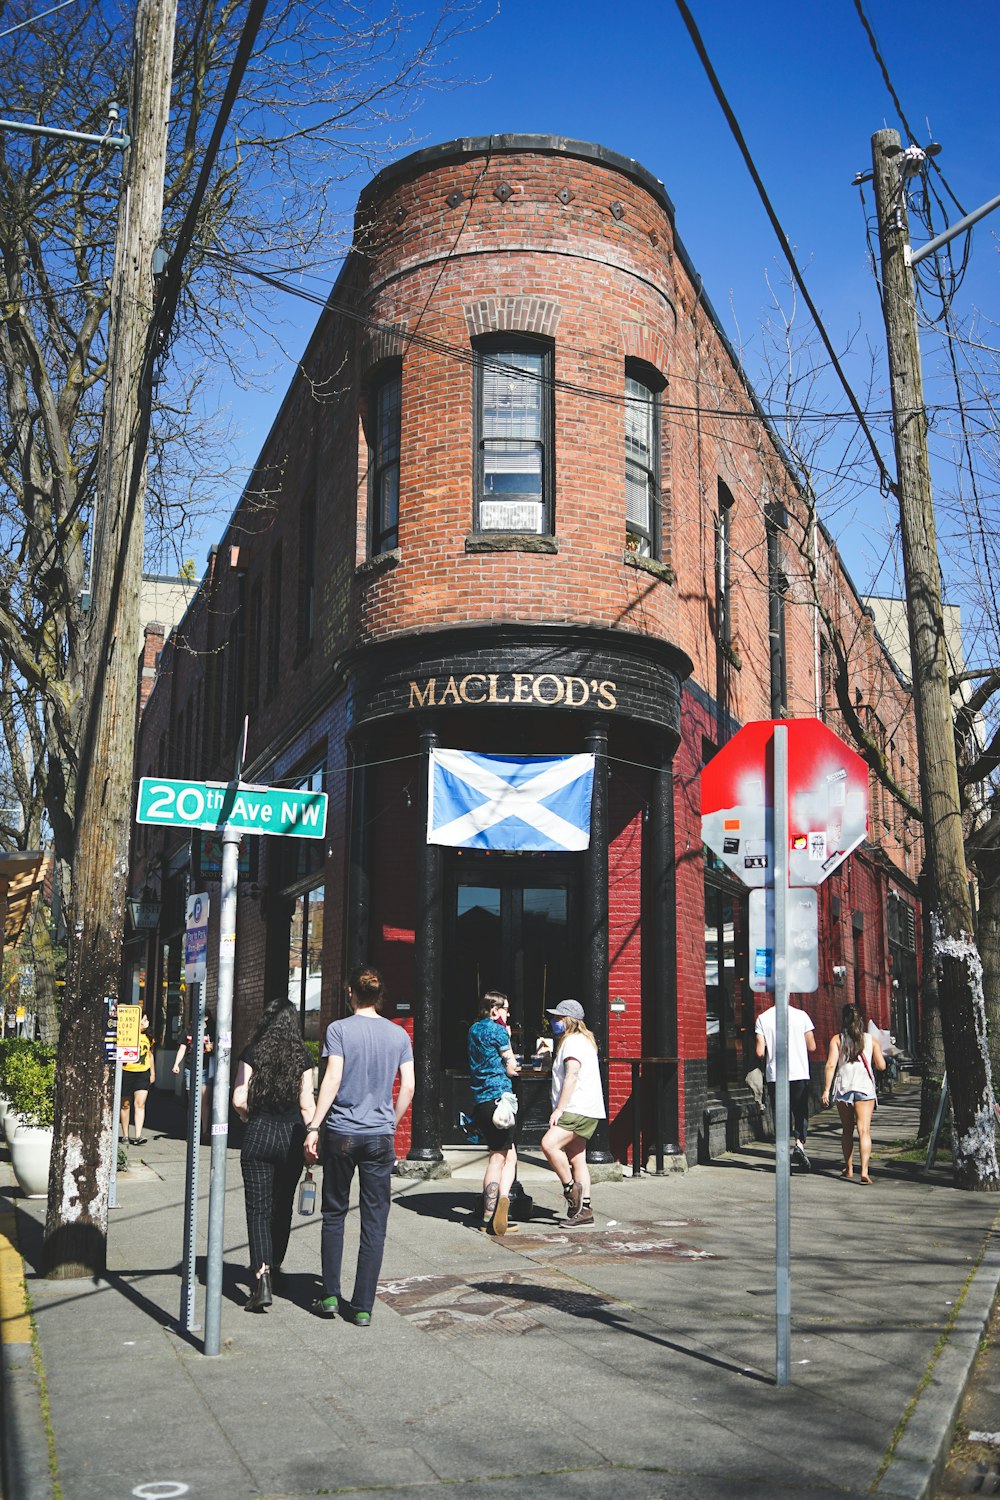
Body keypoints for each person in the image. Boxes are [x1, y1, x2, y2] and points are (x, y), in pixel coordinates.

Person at [304, 966, 414, 1326]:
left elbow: (332, 1078)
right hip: (380, 1136)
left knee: (334, 1214)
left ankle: (331, 1295)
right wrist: (391, 1123)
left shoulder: (338, 1030)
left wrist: (314, 1125)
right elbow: (409, 1087)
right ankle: (363, 1305)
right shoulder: (398, 1035)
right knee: (374, 1221)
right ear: (378, 995)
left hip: (342, 1133)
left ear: (351, 992)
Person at [232, 998, 315, 1313]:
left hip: (259, 1136)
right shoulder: (302, 1057)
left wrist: (247, 1117)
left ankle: (261, 1276)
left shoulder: (254, 1052)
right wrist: (312, 1134)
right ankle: (276, 1267)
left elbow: (239, 1098)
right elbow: (307, 1104)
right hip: (291, 1137)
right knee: (282, 1209)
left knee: (258, 1211)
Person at [540, 999, 606, 1226]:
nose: (554, 1021)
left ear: (569, 1019)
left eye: (558, 1018)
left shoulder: (573, 1042)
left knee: (549, 1144)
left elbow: (572, 1076)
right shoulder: (582, 1041)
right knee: (578, 1159)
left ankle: (570, 1190)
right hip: (588, 1109)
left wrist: (559, 1109)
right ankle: (585, 1211)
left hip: (576, 1108)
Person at [466, 989, 521, 1236]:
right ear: (495, 1009)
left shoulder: (473, 1030)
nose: (508, 1014)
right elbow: (510, 1066)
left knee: (506, 1153)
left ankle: (494, 1208)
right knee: (499, 1158)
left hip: (481, 1100)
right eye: (506, 1009)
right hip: (500, 1098)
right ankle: (495, 1210)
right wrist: (510, 1047)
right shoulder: (498, 1030)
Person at [822, 1002, 886, 1184]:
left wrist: (826, 1090)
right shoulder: (871, 1040)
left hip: (844, 1088)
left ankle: (848, 1167)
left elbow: (830, 1065)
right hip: (865, 1088)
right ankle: (864, 1171)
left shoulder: (837, 1039)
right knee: (864, 1130)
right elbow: (881, 1066)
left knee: (847, 1130)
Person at [754, 999, 816, 1170]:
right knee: (800, 1112)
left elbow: (759, 1051)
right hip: (798, 1072)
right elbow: (812, 1046)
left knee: (781, 1115)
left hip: (775, 1075)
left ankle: (782, 1151)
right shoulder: (802, 1016)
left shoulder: (762, 1018)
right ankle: (799, 1145)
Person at [172, 1010, 215, 1142]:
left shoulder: (211, 1032)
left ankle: (204, 1131)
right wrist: (176, 1064)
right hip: (190, 1068)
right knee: (192, 1102)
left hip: (206, 1068)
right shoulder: (188, 1031)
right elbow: (182, 1048)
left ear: (206, 1018)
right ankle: (192, 1132)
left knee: (204, 1101)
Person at [120, 1014, 155, 1145]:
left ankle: (138, 1135)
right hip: (127, 1071)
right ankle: (125, 1135)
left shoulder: (148, 1037)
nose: (147, 1022)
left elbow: (150, 1055)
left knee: (140, 1104)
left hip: (142, 1073)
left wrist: (152, 1073)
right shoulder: (127, 1035)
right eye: (144, 1020)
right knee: (125, 1104)